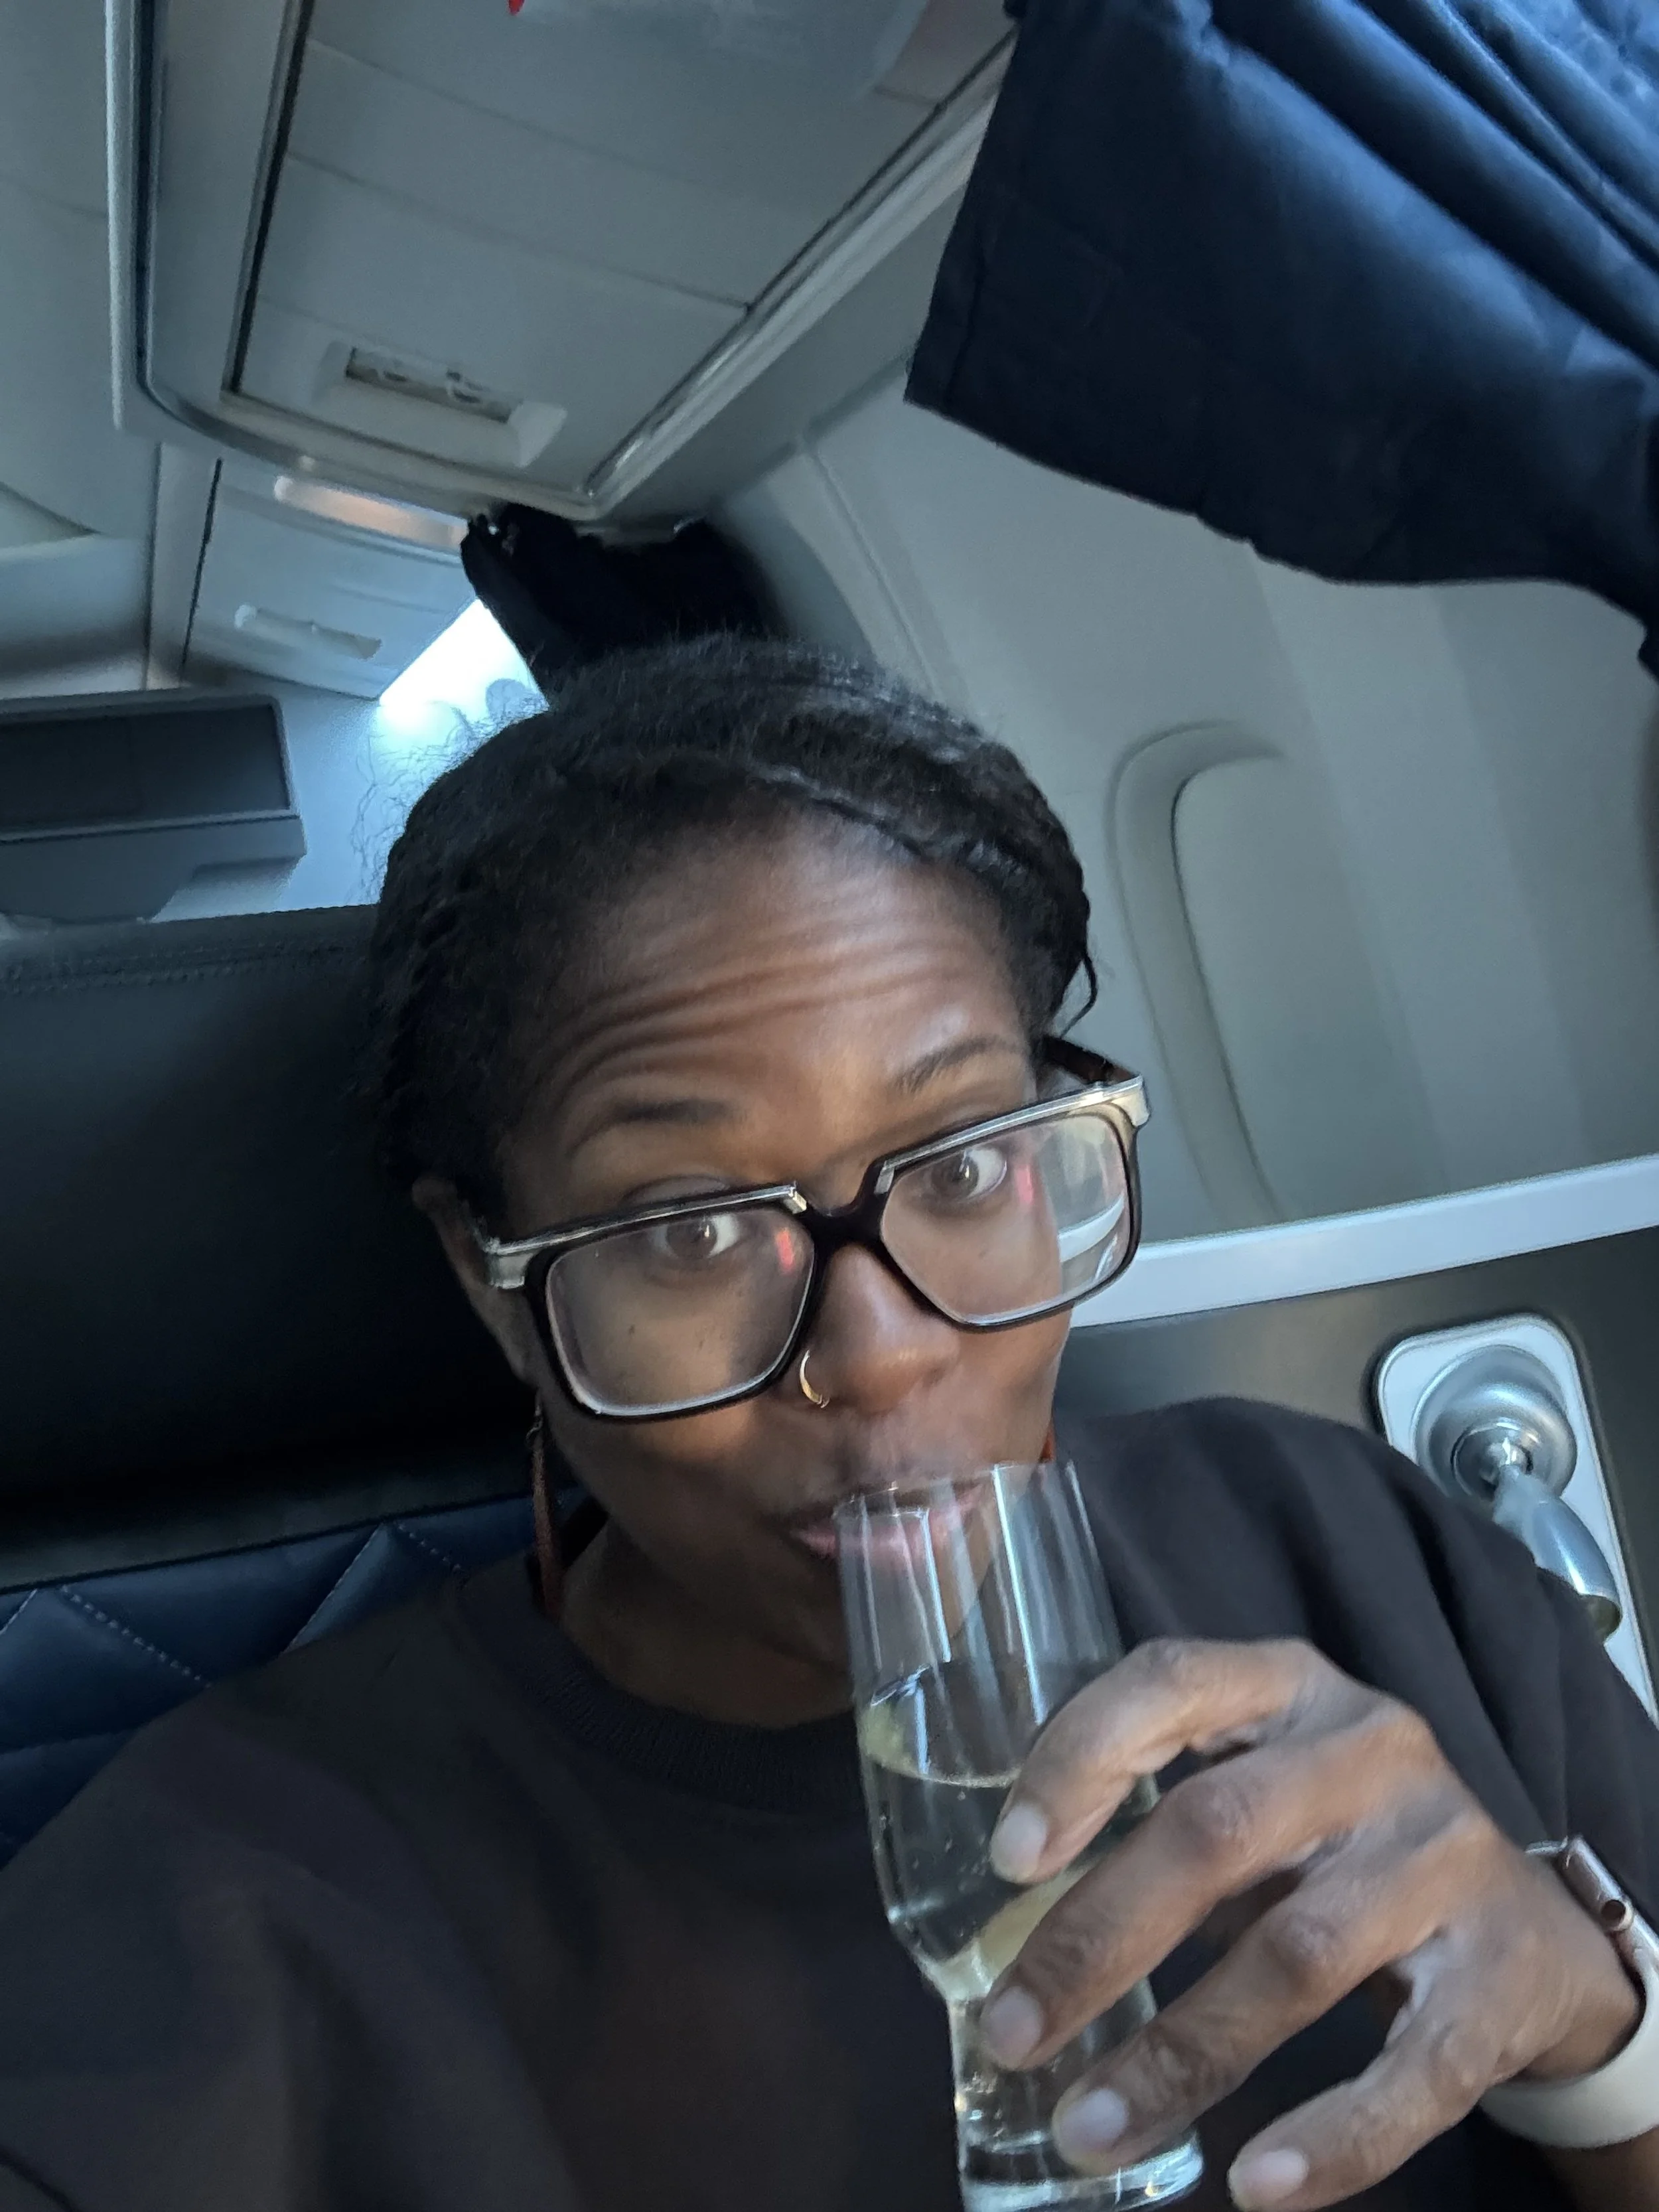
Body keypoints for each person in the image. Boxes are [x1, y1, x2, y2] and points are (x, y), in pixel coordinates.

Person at [0, 638, 1656, 2212]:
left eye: (961, 1166)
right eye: (688, 1231)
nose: (876, 1355)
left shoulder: (1338, 1538)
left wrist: (1597, 2046)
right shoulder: (209, 1921)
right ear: (487, 1278)